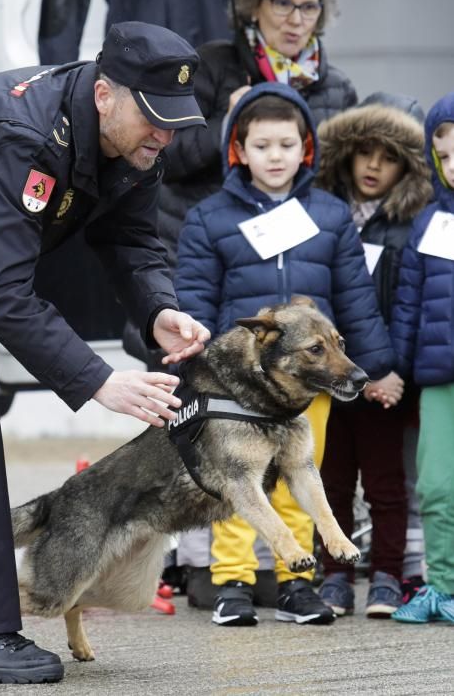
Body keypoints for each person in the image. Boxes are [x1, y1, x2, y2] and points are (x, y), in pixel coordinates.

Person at [0, 21, 210, 684]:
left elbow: (131, 244)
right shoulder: (21, 137)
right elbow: (1, 291)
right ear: (105, 94)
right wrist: (97, 380)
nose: (165, 137)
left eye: (175, 121)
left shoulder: (135, 140)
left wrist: (157, 308)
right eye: (154, 119)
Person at [174, 81, 396, 627]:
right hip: (237, 382)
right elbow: (196, 296)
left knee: (301, 478)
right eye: (262, 145)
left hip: (308, 377)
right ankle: (232, 584)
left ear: (307, 149)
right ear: (238, 150)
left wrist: (379, 366)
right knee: (236, 482)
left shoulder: (330, 214)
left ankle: (297, 584)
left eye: (287, 145)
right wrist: (193, 355)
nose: (275, 156)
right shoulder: (209, 217)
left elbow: (355, 297)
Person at [314, 92, 433, 618]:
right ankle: (335, 574)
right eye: (366, 153)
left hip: (382, 382)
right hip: (328, 378)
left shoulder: (412, 227)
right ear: (348, 154)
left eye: (389, 159)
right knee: (330, 481)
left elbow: (411, 309)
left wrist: (394, 372)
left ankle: (387, 575)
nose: (374, 167)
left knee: (387, 484)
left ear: (406, 168)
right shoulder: (322, 216)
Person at [158, 0, 357, 272]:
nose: (296, 20)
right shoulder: (212, 64)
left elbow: (342, 189)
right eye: (283, 3)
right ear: (252, 7)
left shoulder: (338, 88)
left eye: (309, 7)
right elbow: (164, 157)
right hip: (198, 256)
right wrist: (226, 123)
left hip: (295, 264)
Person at [390, 91, 454, 624]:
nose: (453, 167)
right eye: (444, 156)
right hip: (438, 379)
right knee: (435, 487)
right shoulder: (429, 222)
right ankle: (444, 587)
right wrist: (398, 369)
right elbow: (408, 303)